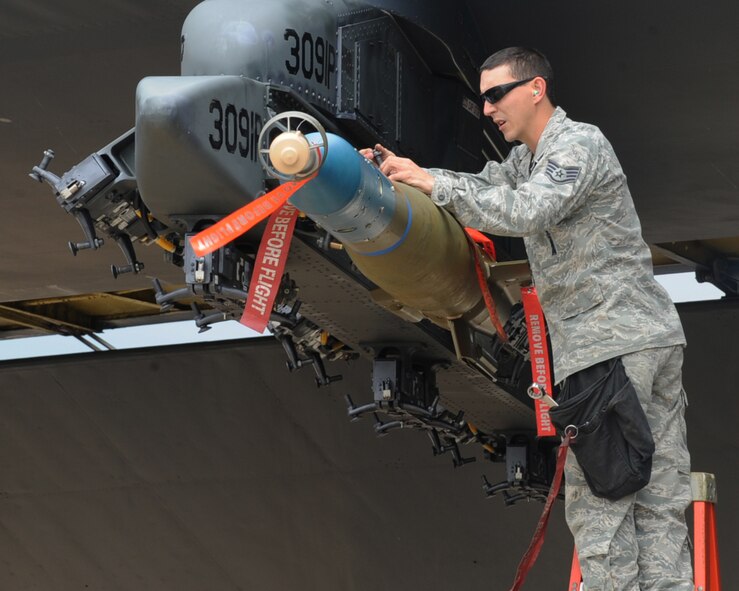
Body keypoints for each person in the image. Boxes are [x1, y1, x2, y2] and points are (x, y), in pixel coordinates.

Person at [362, 47, 692, 590]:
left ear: (536, 89)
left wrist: (432, 186)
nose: (488, 108)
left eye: (497, 94)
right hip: (643, 342)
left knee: (605, 506)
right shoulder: (530, 159)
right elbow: (491, 186)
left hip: (607, 348)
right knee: (656, 499)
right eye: (483, 97)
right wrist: (414, 174)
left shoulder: (576, 144)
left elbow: (525, 211)